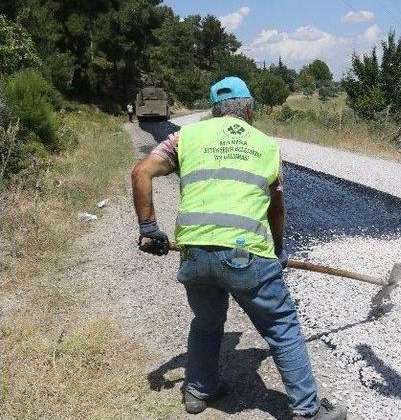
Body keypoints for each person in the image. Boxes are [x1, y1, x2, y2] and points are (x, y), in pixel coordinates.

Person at [131, 76, 348, 419]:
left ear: (215, 110)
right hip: (246, 255)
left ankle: (198, 390)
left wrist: (148, 228)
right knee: (282, 327)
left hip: (194, 252)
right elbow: (276, 209)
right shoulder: (266, 147)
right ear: (248, 109)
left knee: (206, 321)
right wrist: (277, 251)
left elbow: (141, 172)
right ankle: (309, 411)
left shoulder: (184, 137)